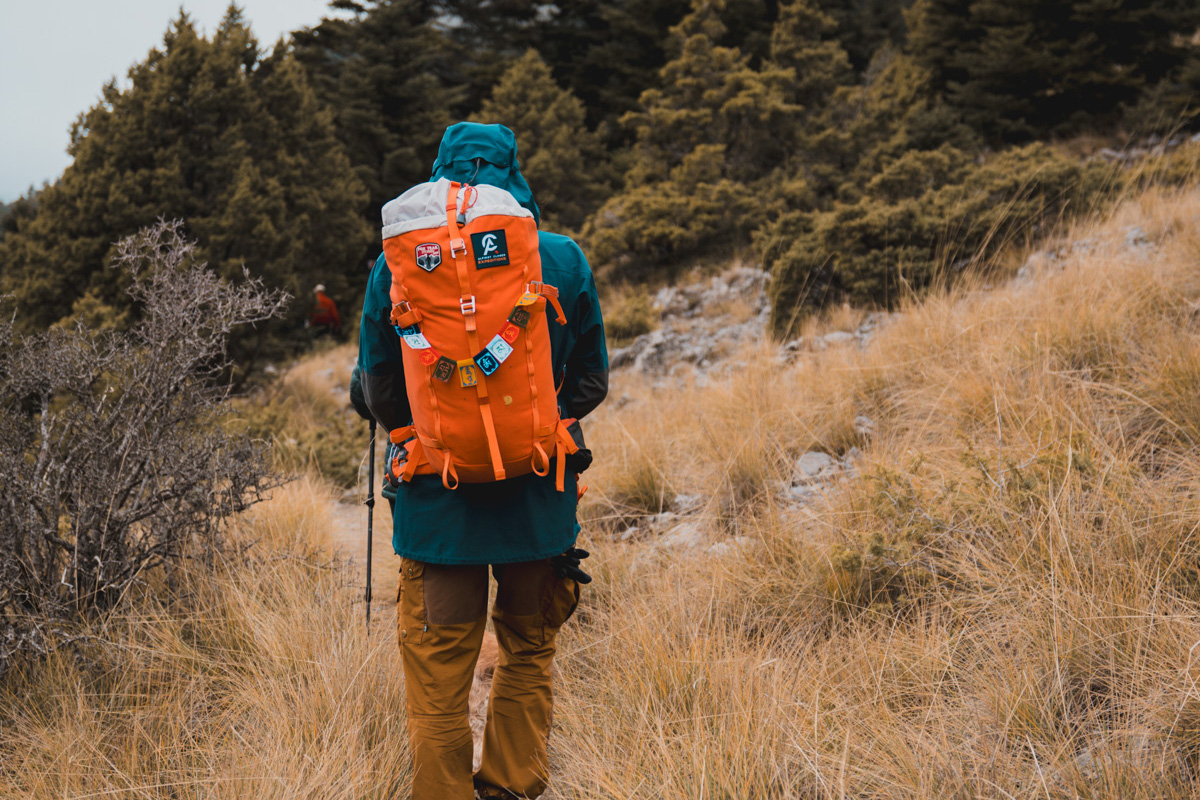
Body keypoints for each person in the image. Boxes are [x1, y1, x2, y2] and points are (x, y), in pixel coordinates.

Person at [356, 122, 609, 800]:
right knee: (527, 651)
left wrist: (419, 432)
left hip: (436, 509)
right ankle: (510, 788)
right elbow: (592, 381)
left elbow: (376, 389)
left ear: (438, 173)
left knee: (439, 674)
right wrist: (541, 422)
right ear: (514, 175)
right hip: (538, 503)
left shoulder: (398, 264)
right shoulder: (560, 258)